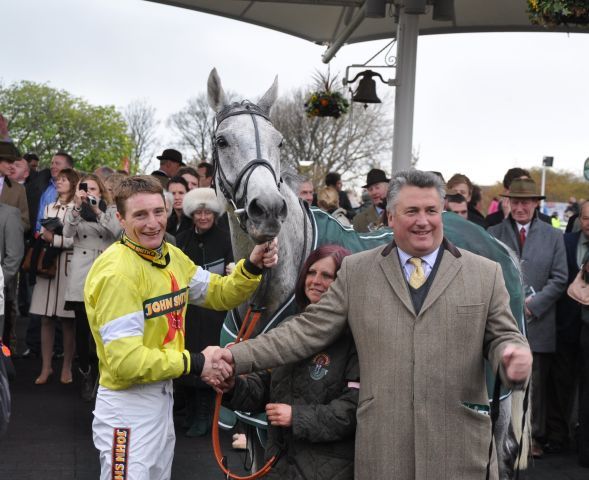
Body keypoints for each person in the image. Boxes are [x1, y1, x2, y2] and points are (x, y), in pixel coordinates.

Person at [208, 169, 532, 480]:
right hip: (382, 453)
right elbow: (303, 331)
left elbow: (503, 335)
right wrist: (236, 357)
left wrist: (511, 354)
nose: (423, 221)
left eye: (432, 210)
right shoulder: (356, 272)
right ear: (391, 217)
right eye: (412, 211)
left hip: (457, 449)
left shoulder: (484, 273)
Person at [84, 175, 278, 479]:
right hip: (127, 406)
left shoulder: (170, 255)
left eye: (158, 212)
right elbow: (125, 362)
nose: (152, 223)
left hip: (162, 398)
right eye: (140, 215)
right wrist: (196, 362)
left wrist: (251, 266)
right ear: (120, 219)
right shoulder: (117, 274)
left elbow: (218, 292)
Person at [224, 244, 358, 479]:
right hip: (281, 464)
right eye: (311, 272)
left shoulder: (354, 338)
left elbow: (352, 410)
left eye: (327, 276)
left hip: (329, 469)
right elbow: (268, 386)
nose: (315, 281)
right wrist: (233, 387)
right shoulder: (289, 327)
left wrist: (297, 417)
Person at [488, 177, 567, 458]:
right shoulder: (493, 232)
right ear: (508, 202)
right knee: (504, 377)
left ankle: (532, 436)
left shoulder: (553, 236)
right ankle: (504, 437)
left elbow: (561, 277)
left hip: (540, 323)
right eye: (516, 202)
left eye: (526, 202)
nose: (520, 207)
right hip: (502, 321)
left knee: (537, 383)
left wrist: (534, 305)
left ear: (535, 204)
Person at [175, 187, 233, 437]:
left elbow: (233, 269)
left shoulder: (226, 237)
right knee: (187, 359)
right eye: (198, 212)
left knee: (209, 361)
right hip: (187, 311)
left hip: (214, 312)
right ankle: (189, 412)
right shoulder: (182, 238)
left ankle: (205, 415)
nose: (203, 217)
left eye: (207, 212)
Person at [62, 174, 120, 401]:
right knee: (83, 329)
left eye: (93, 188)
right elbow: (67, 233)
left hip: (105, 270)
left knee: (105, 328)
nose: (89, 192)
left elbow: (118, 233)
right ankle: (86, 373)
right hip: (81, 273)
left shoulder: (110, 209)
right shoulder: (73, 209)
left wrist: (98, 211)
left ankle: (104, 373)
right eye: (84, 188)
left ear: (101, 190)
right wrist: (77, 207)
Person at [543, 200, 589, 458]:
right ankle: (558, 436)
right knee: (561, 384)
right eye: (586, 218)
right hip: (566, 325)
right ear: (578, 219)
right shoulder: (566, 242)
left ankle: (583, 440)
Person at [29, 168, 79, 385]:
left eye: (65, 179)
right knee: (46, 318)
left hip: (67, 267)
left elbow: (76, 241)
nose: (59, 182)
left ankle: (66, 367)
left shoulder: (78, 208)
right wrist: (44, 236)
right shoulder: (49, 206)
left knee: (68, 320)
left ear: (73, 183)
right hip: (47, 267)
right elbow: (45, 234)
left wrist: (53, 239)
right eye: (58, 179)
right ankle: (46, 367)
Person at [352, 168, 390, 232]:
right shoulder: (359, 220)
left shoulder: (400, 214)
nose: (374, 192)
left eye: (377, 187)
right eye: (370, 189)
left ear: (387, 188)